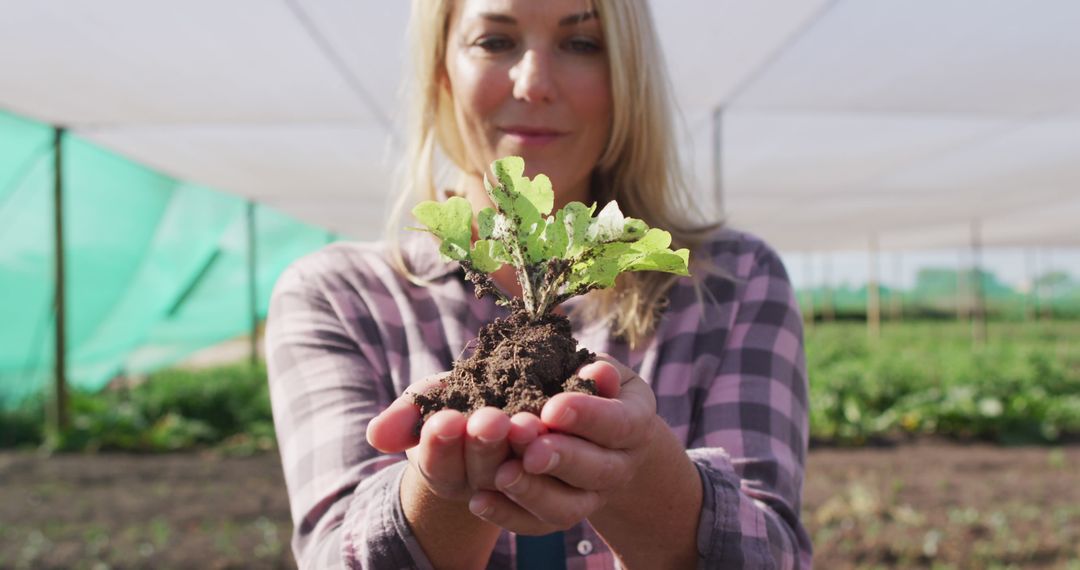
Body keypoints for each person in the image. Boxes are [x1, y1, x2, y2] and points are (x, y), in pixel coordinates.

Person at [265, 0, 813, 567]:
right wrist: (437, 489)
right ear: (441, 71)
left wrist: (639, 462)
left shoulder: (733, 282)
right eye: (494, 42)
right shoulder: (339, 294)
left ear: (629, 75)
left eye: (581, 44)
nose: (534, 83)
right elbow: (333, 554)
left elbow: (772, 556)